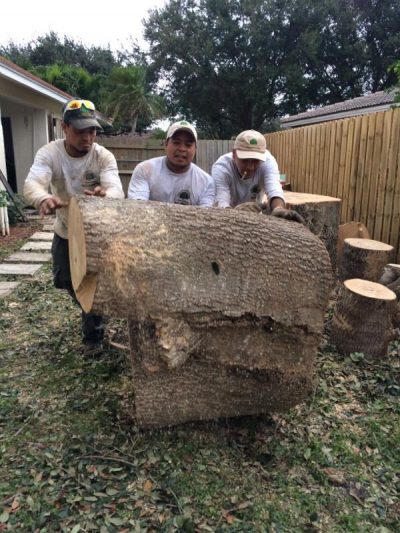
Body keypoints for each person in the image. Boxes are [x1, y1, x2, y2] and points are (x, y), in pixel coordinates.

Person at [24, 98, 125, 356]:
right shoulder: (50, 153)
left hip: (96, 234)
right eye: (80, 130)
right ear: (65, 128)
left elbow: (116, 189)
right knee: (63, 279)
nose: (88, 137)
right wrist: (43, 198)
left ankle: (94, 338)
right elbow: (33, 183)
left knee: (93, 284)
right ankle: (89, 307)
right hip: (66, 230)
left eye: (92, 130)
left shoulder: (103, 156)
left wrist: (107, 195)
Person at [212, 129, 303, 222]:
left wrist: (278, 209)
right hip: (227, 219)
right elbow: (221, 202)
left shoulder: (268, 161)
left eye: (255, 161)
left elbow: (274, 189)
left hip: (256, 218)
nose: (250, 167)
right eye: (245, 160)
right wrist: (236, 213)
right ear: (234, 154)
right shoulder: (222, 168)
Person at [127, 120, 215, 206]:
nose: (182, 149)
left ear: (195, 149)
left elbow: (205, 215)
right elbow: (138, 207)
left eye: (188, 145)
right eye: (176, 143)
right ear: (166, 144)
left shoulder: (206, 183)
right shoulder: (145, 170)